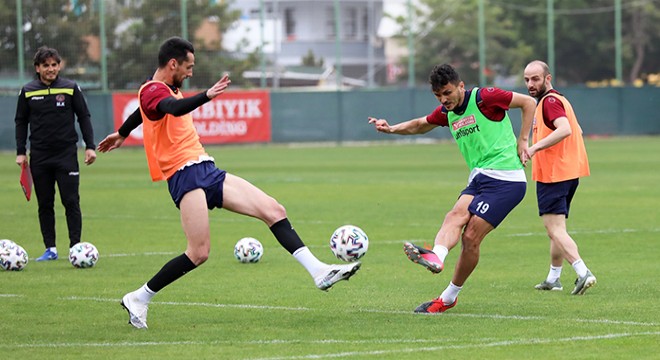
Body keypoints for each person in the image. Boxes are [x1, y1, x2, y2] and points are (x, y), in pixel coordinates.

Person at [97, 37, 360, 329]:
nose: (190, 73)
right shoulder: (155, 91)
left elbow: (145, 111)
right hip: (183, 175)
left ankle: (319, 271)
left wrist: (122, 132)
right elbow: (171, 108)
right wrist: (207, 95)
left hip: (205, 168)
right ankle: (139, 297)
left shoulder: (159, 89)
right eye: (188, 66)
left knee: (274, 210)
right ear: (173, 64)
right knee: (199, 253)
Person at [368, 64, 536, 313]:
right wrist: (391, 128)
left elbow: (528, 103)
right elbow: (419, 124)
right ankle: (436, 256)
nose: (443, 99)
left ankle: (448, 297)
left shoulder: (484, 98)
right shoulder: (447, 113)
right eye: (438, 95)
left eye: (447, 93)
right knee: (454, 215)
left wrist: (523, 140)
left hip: (506, 180)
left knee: (470, 238)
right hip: (479, 178)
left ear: (460, 86)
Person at [14, 46, 97, 262]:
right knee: (45, 203)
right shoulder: (28, 91)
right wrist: (21, 152)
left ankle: (75, 248)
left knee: (71, 201)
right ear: (37, 68)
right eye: (46, 65)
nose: (51, 69)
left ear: (59, 66)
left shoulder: (70, 88)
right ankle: (50, 248)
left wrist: (90, 146)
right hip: (39, 156)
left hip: (66, 155)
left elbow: (84, 116)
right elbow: (21, 122)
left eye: (54, 65)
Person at [522, 60, 596, 295]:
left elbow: (565, 129)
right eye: (526, 80)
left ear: (548, 78)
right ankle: (554, 278)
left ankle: (583, 272)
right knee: (556, 229)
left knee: (554, 229)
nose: (530, 84)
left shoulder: (549, 101)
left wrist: (534, 149)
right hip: (568, 172)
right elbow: (579, 130)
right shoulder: (559, 99)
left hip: (554, 174)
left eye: (535, 79)